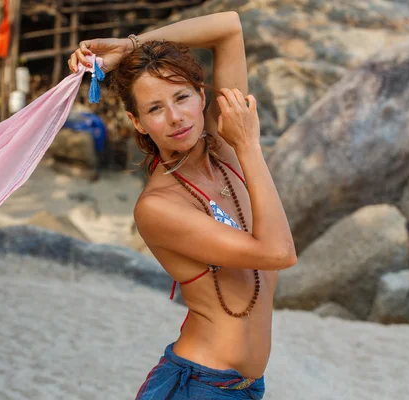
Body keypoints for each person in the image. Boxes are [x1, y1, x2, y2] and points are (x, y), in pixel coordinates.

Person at [68, 11, 297, 400]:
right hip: (199, 386)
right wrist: (249, 147)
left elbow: (229, 28)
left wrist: (131, 46)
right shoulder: (158, 206)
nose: (175, 118)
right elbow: (278, 253)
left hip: (245, 388)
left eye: (181, 97)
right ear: (137, 122)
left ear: (202, 96)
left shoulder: (223, 152)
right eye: (155, 108)